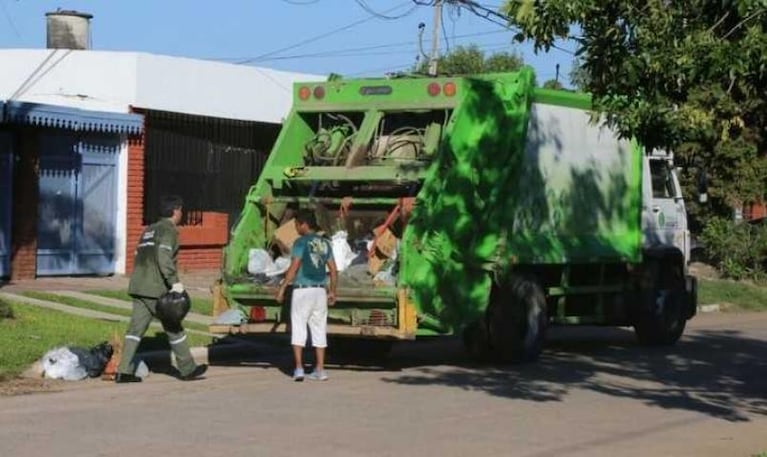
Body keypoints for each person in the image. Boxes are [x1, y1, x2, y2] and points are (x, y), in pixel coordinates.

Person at [115, 195, 208, 383]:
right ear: (175, 211)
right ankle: (188, 369)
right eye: (180, 210)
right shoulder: (168, 231)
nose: (181, 213)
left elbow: (138, 254)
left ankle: (123, 371)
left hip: (139, 285)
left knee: (135, 329)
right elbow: (163, 256)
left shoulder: (149, 230)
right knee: (174, 327)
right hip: (155, 288)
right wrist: (174, 282)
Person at [276, 209, 337, 382]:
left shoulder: (300, 242)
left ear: (303, 224)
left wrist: (282, 287)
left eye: (296, 224)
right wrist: (332, 291)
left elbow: (294, 267)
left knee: (299, 329)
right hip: (320, 291)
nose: (295, 227)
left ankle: (299, 368)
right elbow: (333, 270)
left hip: (302, 290)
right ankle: (320, 369)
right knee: (319, 331)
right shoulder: (325, 243)